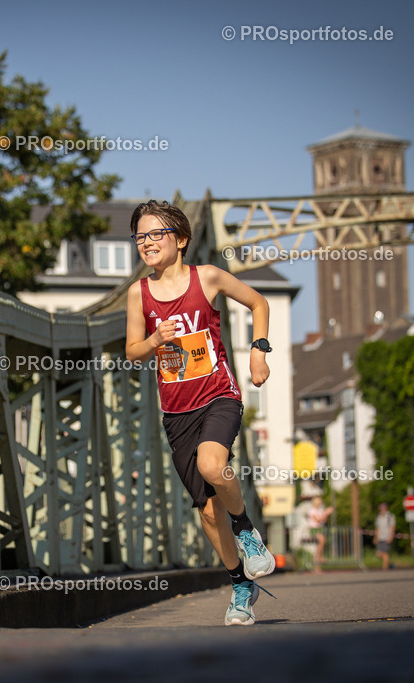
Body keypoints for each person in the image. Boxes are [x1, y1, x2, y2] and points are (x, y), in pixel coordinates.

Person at [125, 200, 275, 626]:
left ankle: (246, 530)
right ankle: (240, 585)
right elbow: (133, 351)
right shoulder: (139, 294)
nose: (147, 242)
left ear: (181, 239)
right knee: (209, 512)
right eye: (140, 235)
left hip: (218, 395)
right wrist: (154, 340)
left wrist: (259, 353)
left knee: (214, 463)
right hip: (176, 412)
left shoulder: (206, 277)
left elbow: (259, 303)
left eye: (156, 234)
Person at [306, 496, 333, 573]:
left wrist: (325, 514)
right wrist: (326, 513)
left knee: (317, 549)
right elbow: (318, 520)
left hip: (320, 528)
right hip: (315, 529)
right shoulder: (312, 511)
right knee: (322, 540)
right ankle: (321, 557)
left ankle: (317, 566)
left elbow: (324, 519)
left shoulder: (320, 510)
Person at [373, 503, 396, 571]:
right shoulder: (378, 517)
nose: (382, 510)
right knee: (378, 554)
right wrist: (375, 537)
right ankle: (390, 564)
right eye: (381, 509)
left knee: (385, 553)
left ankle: (385, 568)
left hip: (387, 536)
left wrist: (391, 536)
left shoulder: (390, 516)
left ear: (386, 509)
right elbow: (377, 528)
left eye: (383, 508)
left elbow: (392, 527)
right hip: (380, 537)